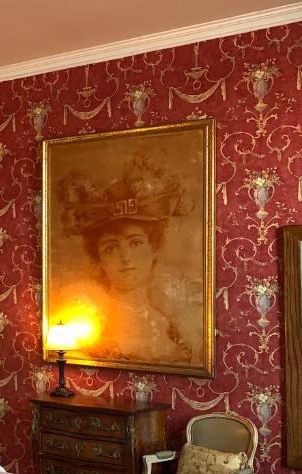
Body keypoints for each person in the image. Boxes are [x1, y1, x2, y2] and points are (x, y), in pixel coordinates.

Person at [55, 151, 199, 365]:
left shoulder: (171, 323)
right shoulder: (87, 325)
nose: (126, 258)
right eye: (111, 248)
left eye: (135, 243)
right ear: (99, 259)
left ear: (154, 249)